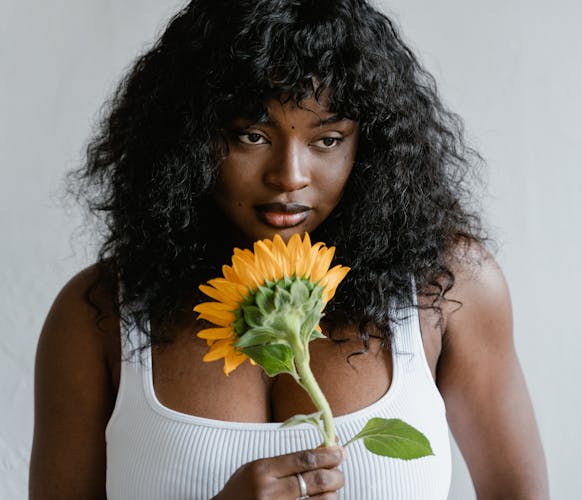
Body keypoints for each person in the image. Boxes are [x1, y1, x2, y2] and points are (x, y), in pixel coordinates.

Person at [29, 0, 549, 498]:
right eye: (252, 136)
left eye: (326, 140)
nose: (290, 177)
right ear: (186, 137)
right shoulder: (96, 315)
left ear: (370, 145)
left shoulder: (448, 287)